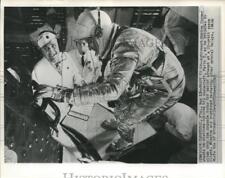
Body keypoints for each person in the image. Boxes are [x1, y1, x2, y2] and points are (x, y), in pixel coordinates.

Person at [34, 9, 186, 151]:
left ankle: (126, 139)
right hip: (153, 75)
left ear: (99, 34)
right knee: (121, 103)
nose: (86, 49)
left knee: (128, 115)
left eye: (87, 42)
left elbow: (113, 90)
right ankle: (120, 120)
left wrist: (62, 94)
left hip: (166, 86)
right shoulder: (120, 36)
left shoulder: (126, 45)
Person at [30, 25, 102, 162]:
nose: (51, 51)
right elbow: (38, 102)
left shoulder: (66, 56)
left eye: (53, 45)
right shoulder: (38, 70)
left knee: (95, 130)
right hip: (59, 114)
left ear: (57, 43)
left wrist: (82, 83)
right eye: (46, 49)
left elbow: (76, 77)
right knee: (74, 150)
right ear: (42, 52)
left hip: (75, 104)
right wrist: (53, 120)